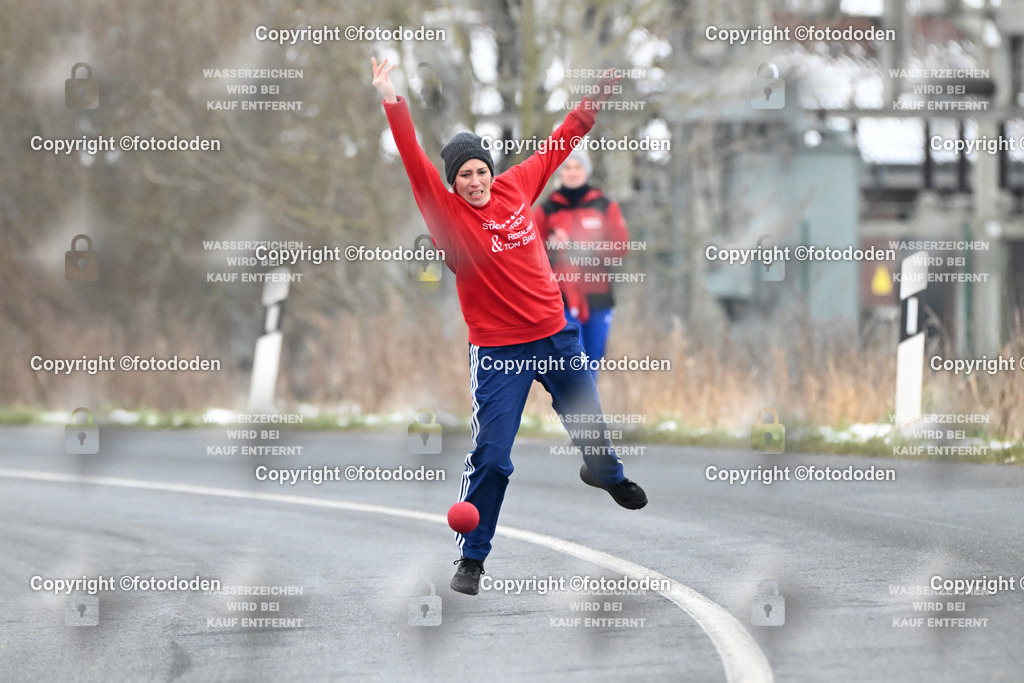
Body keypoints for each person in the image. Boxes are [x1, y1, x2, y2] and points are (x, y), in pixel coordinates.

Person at [371, 58, 647, 597]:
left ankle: (606, 474)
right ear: (452, 184)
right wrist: (391, 98)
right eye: (464, 176)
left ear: (490, 171)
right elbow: (413, 160)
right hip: (501, 353)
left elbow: (562, 142)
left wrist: (597, 96)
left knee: (590, 428)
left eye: (480, 171)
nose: (475, 182)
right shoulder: (447, 216)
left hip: (556, 335)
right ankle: (472, 559)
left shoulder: (515, 186)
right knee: (493, 456)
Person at [535, 149, 629, 377]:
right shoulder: (546, 210)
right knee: (573, 359)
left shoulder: (605, 206)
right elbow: (532, 253)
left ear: (586, 171)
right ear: (560, 173)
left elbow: (620, 248)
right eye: (567, 168)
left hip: (598, 296)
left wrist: (577, 246)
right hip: (561, 297)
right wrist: (551, 246)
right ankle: (572, 400)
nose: (572, 172)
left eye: (577, 167)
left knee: (593, 359)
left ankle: (589, 401)